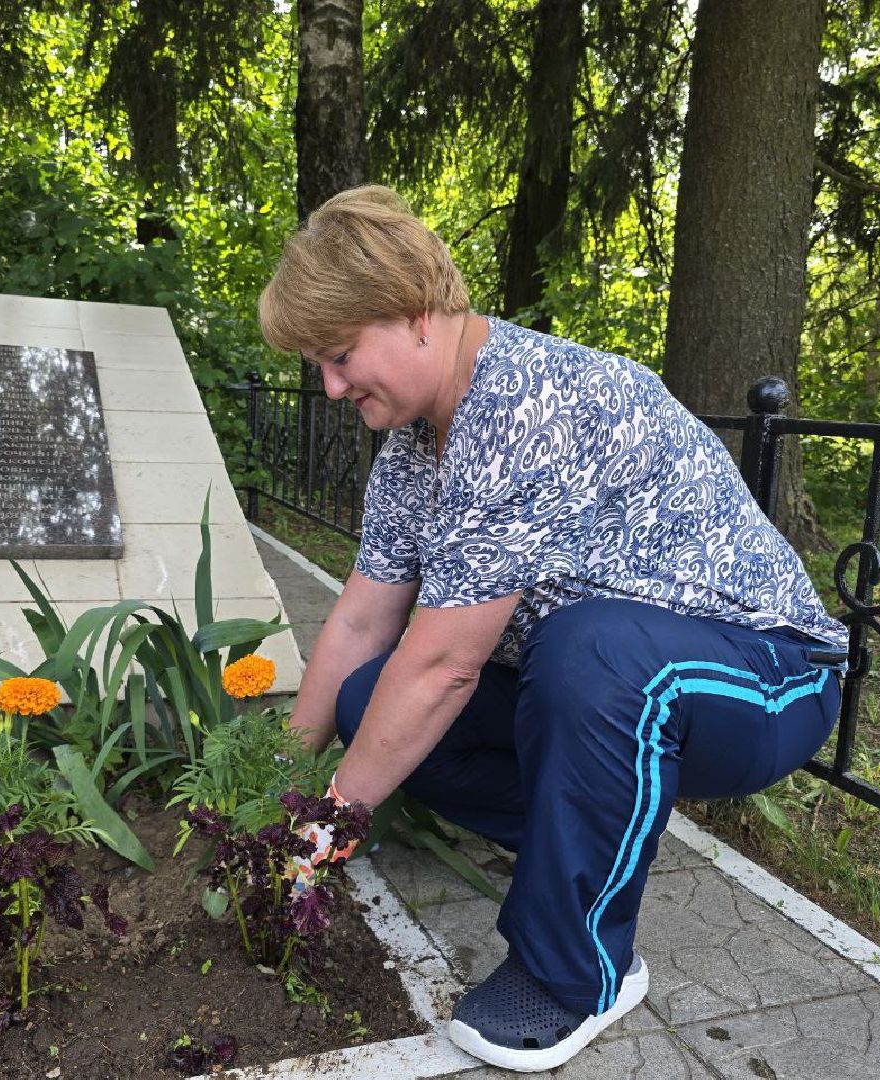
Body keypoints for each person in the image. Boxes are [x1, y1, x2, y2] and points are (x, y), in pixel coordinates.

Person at [259, 185, 848, 1073]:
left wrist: (327, 828)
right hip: (615, 684)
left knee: (590, 648)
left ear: (416, 315)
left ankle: (577, 974)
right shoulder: (413, 454)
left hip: (767, 676)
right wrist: (279, 794)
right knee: (365, 698)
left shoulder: (530, 401)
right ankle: (600, 834)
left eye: (340, 356)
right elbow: (361, 619)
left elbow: (449, 664)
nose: (332, 386)